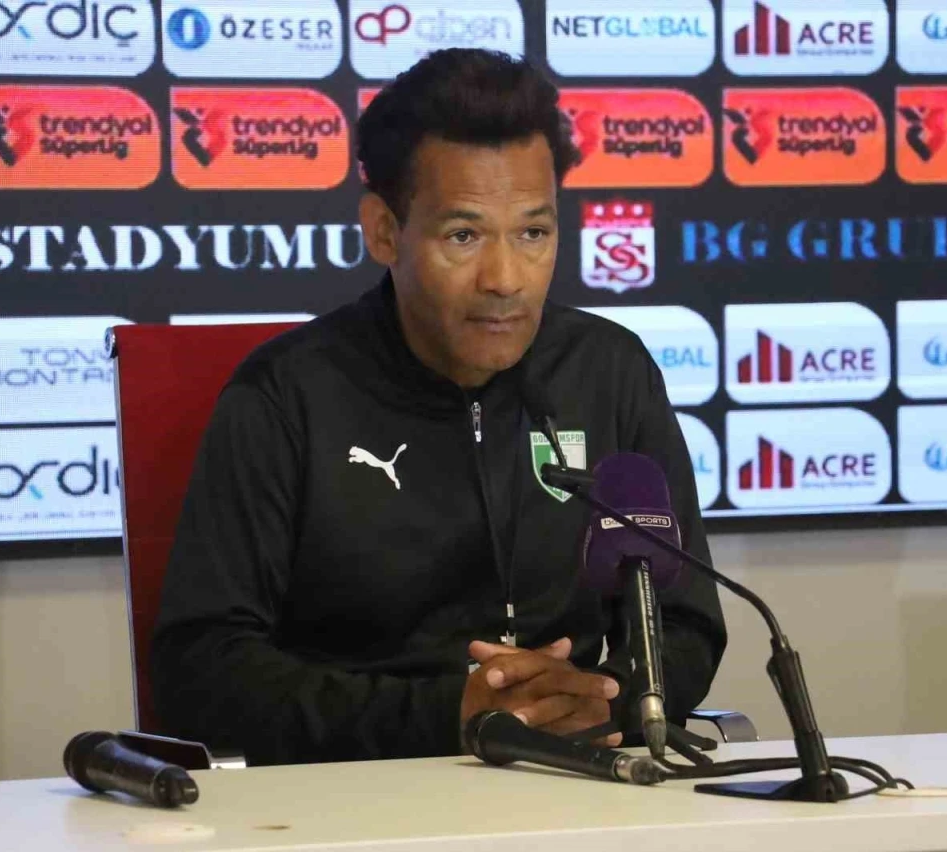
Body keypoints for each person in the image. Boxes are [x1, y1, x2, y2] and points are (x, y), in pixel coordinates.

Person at [151, 48, 726, 765]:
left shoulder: (610, 372)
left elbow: (685, 624)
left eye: (534, 233)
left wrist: (605, 696)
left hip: (576, 778)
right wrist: (446, 715)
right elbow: (201, 670)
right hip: (359, 790)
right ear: (384, 230)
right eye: (464, 235)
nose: (506, 279)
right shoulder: (284, 396)